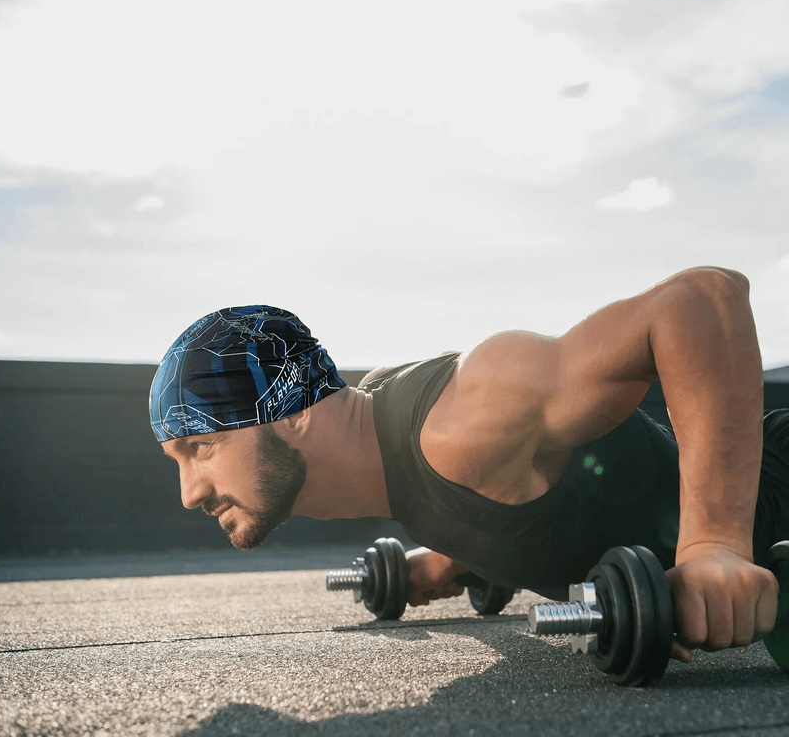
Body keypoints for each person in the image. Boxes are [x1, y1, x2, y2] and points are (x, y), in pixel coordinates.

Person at [150, 266, 787, 665]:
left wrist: (714, 545)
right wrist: (452, 558)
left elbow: (701, 300)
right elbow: (504, 496)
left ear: (292, 413)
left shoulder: (468, 414)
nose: (189, 493)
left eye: (201, 448)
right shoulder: (383, 435)